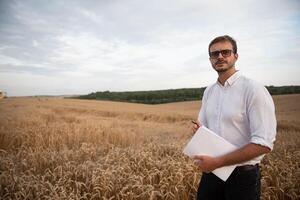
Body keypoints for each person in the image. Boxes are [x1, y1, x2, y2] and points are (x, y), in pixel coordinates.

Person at [191, 35, 277, 200]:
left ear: (235, 56)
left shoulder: (253, 89)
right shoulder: (209, 91)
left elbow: (264, 144)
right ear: (210, 59)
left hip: (242, 178)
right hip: (212, 175)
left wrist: (218, 162)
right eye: (215, 54)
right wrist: (198, 132)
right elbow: (204, 129)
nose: (220, 56)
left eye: (225, 52)